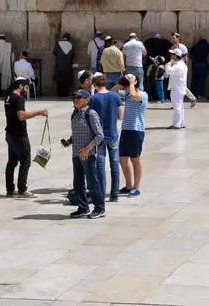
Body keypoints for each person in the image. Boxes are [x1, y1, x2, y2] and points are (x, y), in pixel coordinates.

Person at [61, 89, 106, 219]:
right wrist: (69, 141)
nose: (76, 100)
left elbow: (100, 135)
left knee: (92, 183)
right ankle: (83, 208)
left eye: (79, 98)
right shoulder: (74, 114)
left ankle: (100, 208)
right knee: (78, 183)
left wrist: (88, 148)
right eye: (74, 98)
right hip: (76, 154)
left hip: (88, 155)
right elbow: (77, 133)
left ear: (87, 100)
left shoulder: (91, 114)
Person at [4, 77, 48, 198]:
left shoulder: (8, 97)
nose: (26, 90)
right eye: (26, 87)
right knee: (25, 161)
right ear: (20, 86)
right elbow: (21, 116)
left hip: (10, 134)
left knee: (12, 162)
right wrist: (39, 112)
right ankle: (22, 189)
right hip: (19, 135)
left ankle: (9, 189)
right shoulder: (18, 99)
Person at [113, 74, 147, 197]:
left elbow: (134, 95)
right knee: (123, 159)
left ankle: (136, 187)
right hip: (126, 130)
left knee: (135, 159)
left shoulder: (142, 95)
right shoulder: (127, 94)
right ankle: (128, 185)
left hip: (136, 130)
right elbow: (112, 92)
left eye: (127, 85)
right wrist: (121, 82)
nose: (126, 87)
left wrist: (132, 82)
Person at [90, 73, 124, 202]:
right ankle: (114, 194)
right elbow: (120, 116)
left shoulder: (94, 99)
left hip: (99, 136)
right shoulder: (115, 96)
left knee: (100, 166)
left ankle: (102, 194)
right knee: (114, 165)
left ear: (95, 84)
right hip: (113, 134)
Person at [170, 32, 197, 107]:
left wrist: (184, 68)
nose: (172, 39)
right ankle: (175, 103)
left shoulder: (182, 47)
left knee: (181, 85)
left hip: (181, 68)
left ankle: (192, 98)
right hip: (175, 69)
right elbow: (172, 59)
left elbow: (185, 58)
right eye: (172, 38)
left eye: (174, 38)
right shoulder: (172, 48)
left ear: (178, 38)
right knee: (174, 85)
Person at [166, 48, 188, 129]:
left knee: (177, 107)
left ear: (175, 56)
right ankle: (181, 123)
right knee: (180, 106)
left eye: (172, 54)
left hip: (177, 89)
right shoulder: (182, 65)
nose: (171, 56)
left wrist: (168, 64)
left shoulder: (178, 66)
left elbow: (168, 71)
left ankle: (176, 124)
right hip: (179, 88)